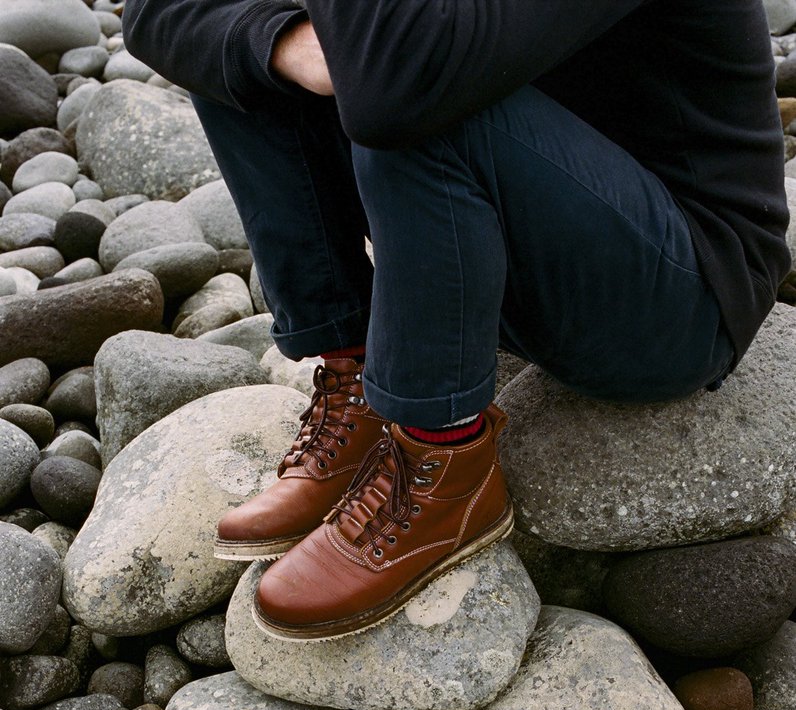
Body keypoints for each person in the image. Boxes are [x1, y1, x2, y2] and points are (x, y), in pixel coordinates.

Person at [123, 0, 790, 641]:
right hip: (518, 238)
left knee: (405, 84)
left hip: (681, 292)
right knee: (255, 49)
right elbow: (155, 11)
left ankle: (442, 458)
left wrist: (347, 60)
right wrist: (285, 46)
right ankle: (359, 376)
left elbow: (396, 84)